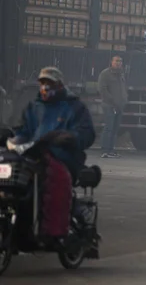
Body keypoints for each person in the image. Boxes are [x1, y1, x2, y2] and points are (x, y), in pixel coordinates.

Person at [12, 67, 96, 241]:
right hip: (34, 155)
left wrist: (69, 138)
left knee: (53, 180)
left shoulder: (74, 107)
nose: (45, 87)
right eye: (42, 83)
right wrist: (12, 138)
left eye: (49, 83)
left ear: (59, 85)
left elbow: (87, 133)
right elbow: (23, 131)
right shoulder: (33, 107)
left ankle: (55, 233)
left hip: (64, 157)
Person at [98, 55, 128, 158]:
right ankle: (105, 150)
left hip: (119, 106)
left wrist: (124, 99)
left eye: (120, 61)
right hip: (109, 105)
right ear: (111, 62)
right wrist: (112, 101)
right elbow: (103, 89)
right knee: (108, 128)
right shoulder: (105, 74)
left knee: (115, 129)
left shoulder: (121, 74)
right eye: (116, 61)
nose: (118, 63)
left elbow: (123, 89)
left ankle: (111, 150)